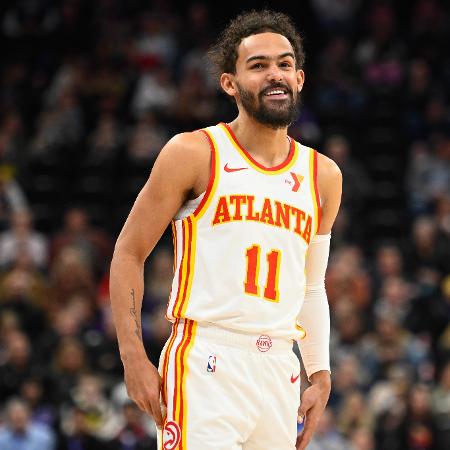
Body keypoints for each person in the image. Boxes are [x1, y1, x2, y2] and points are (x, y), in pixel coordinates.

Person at [110, 9, 342, 450]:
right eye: (258, 66)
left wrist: (320, 371)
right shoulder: (193, 152)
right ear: (229, 83)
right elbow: (129, 253)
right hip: (205, 359)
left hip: (279, 364)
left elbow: (312, 286)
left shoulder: (323, 175)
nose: (275, 74)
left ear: (300, 78)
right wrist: (132, 358)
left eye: (284, 63)